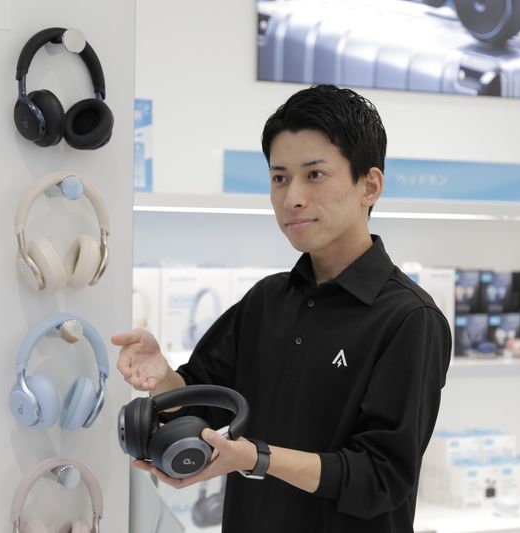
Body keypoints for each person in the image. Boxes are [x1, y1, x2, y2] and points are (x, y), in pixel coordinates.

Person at [114, 84, 452, 533]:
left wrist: (257, 458)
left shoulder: (409, 319)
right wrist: (163, 380)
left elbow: (380, 478)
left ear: (369, 186)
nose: (292, 197)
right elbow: (204, 406)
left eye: (314, 175)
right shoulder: (265, 301)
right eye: (279, 178)